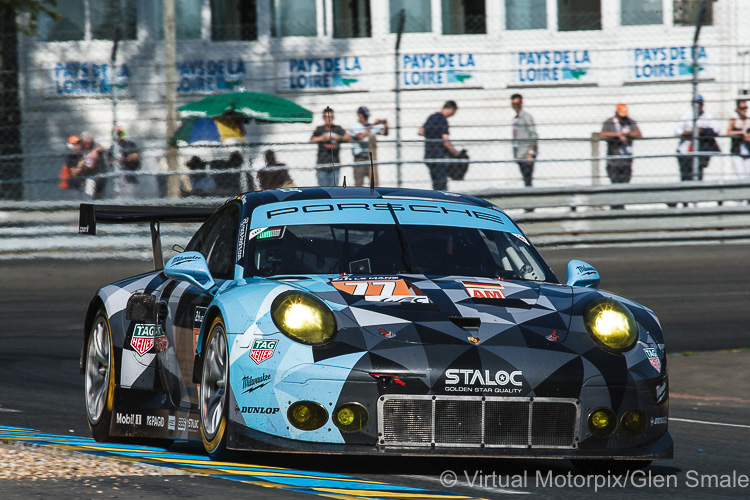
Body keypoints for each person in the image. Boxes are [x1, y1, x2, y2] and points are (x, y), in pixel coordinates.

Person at [675, 95, 720, 181]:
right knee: (686, 177)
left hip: (700, 151)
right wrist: (693, 132)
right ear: (692, 105)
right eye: (696, 104)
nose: (698, 107)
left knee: (698, 176)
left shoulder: (707, 115)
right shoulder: (686, 115)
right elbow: (677, 132)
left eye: (700, 104)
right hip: (685, 151)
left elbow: (717, 130)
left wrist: (703, 130)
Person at [419, 100, 460, 191]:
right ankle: (443, 202)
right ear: (451, 109)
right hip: (438, 155)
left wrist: (431, 134)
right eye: (454, 112)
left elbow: (420, 132)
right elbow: (445, 140)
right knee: (441, 183)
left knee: (435, 182)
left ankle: (436, 199)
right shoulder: (442, 120)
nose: (453, 114)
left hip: (428, 154)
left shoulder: (431, 117)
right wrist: (456, 153)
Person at [600, 104, 642, 184]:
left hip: (626, 159)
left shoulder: (630, 122)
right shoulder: (609, 122)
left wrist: (627, 134)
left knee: (626, 181)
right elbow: (602, 134)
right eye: (621, 116)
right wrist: (617, 135)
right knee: (615, 181)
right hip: (613, 159)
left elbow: (638, 133)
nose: (623, 118)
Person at [310, 107, 351, 186]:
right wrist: (323, 137)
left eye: (331, 117)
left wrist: (338, 137)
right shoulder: (320, 129)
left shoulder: (337, 129)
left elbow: (348, 137)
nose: (329, 119)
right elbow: (312, 140)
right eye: (326, 117)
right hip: (322, 165)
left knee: (334, 191)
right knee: (323, 191)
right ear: (323, 118)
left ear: (333, 118)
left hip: (334, 166)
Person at [349, 106, 388, 187]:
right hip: (359, 158)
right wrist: (373, 124)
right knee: (359, 184)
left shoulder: (370, 126)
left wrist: (385, 125)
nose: (366, 119)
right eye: (365, 117)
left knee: (374, 183)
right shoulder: (355, 126)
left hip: (370, 158)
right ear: (359, 116)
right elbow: (360, 137)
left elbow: (384, 133)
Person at [511, 94, 538, 187]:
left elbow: (533, 134)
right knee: (525, 179)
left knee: (528, 179)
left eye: (517, 103)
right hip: (519, 154)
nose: (515, 106)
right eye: (513, 104)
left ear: (521, 103)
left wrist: (530, 152)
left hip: (526, 154)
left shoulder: (526, 117)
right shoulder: (515, 119)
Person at [69, 131, 107, 198]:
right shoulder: (79, 151)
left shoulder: (95, 147)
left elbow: (102, 147)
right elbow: (74, 171)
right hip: (86, 178)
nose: (87, 145)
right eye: (85, 142)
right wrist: (82, 164)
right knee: (88, 195)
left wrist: (95, 151)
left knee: (98, 197)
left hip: (98, 176)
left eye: (89, 142)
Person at [108, 126, 140, 198]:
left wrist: (124, 159)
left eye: (118, 134)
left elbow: (135, 156)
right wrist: (117, 161)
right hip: (117, 180)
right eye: (114, 134)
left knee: (129, 199)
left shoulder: (129, 145)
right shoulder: (112, 148)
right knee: (117, 199)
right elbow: (110, 162)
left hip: (129, 178)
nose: (117, 136)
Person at [728, 98, 750, 180]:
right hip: (737, 150)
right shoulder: (734, 120)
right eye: (742, 108)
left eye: (745, 108)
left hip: (747, 150)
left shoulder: (748, 120)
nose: (744, 110)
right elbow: (729, 132)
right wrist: (741, 133)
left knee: (748, 175)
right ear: (737, 109)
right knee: (740, 175)